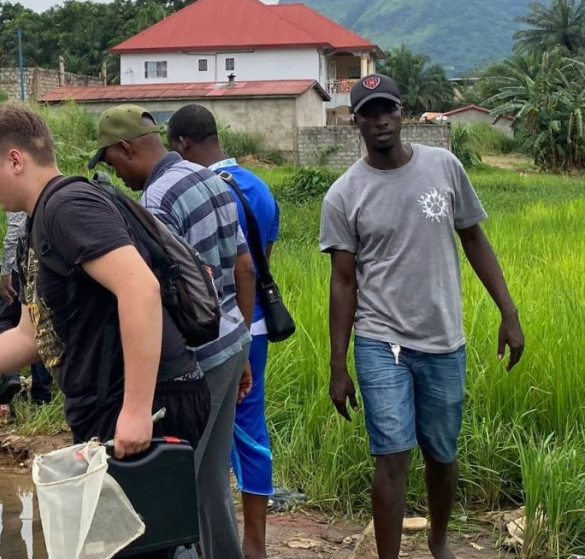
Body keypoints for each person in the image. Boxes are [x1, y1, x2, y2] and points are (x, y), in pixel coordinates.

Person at [0, 104, 210, 464]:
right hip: (108, 404)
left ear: (16, 161)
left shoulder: (69, 207)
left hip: (149, 404)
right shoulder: (36, 224)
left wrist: (135, 411)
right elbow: (30, 336)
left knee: (142, 521)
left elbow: (139, 288)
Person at [319, 74, 525, 559]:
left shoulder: (444, 167)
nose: (380, 120)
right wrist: (337, 364)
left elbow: (474, 238)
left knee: (442, 452)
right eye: (368, 112)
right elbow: (343, 283)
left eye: (387, 109)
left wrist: (508, 311)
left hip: (442, 338)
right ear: (356, 121)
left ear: (401, 111)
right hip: (379, 339)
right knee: (391, 454)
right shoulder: (343, 195)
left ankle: (437, 539)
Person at [89, 103, 255, 559]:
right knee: (211, 479)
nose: (117, 174)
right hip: (231, 343)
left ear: (126, 148)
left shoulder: (156, 201)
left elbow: (151, 296)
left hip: (196, 360)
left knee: (175, 484)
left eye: (112, 161)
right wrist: (239, 341)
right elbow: (243, 267)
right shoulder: (211, 179)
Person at [167, 103, 280, 559]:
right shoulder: (260, 187)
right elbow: (259, 259)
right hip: (251, 325)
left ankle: (225, 543)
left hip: (212, 331)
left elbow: (220, 270)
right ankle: (253, 541)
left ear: (181, 144)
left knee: (209, 436)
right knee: (249, 429)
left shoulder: (200, 190)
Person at [0, 210, 52, 405]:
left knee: (5, 319)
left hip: (23, 269)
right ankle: (41, 392)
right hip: (45, 267)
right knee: (37, 323)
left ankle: (10, 375)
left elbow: (15, 232)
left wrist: (6, 271)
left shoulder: (17, 190)